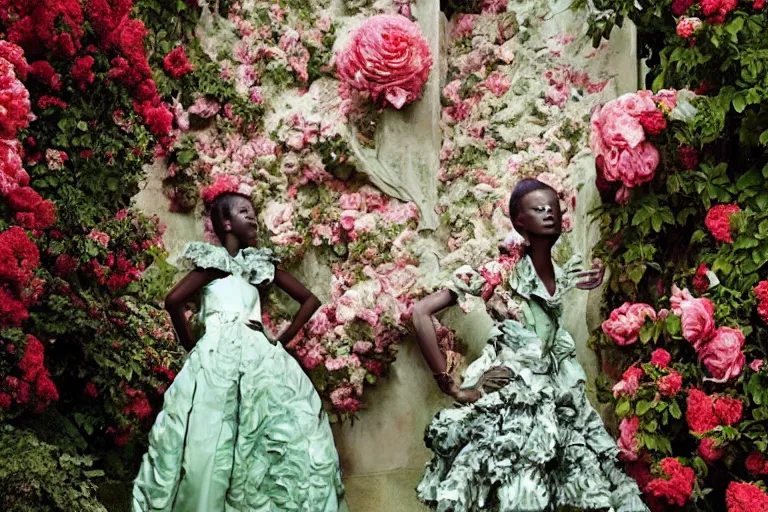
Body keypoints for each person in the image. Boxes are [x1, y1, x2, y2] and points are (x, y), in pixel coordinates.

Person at [411, 179, 648, 512]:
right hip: (511, 396)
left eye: (553, 208)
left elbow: (550, 316)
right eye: (539, 209)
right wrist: (452, 386)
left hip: (559, 389)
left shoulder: (562, 272)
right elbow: (420, 313)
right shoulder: (498, 273)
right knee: (514, 487)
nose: (549, 215)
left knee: (572, 479)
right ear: (519, 221)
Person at [132, 192, 345, 511]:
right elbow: (174, 300)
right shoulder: (212, 264)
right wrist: (191, 342)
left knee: (270, 429)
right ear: (227, 223)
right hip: (218, 355)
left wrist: (282, 339)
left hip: (259, 353)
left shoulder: (259, 266)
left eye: (255, 212)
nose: (253, 217)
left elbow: (310, 300)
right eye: (245, 211)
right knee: (212, 430)